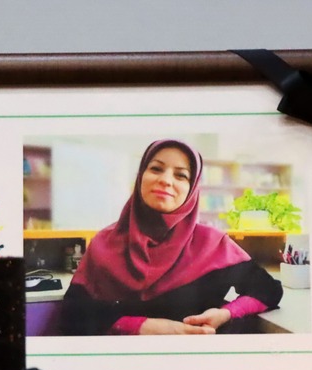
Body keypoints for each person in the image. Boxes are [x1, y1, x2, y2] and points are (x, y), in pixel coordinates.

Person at [60, 139, 283, 335]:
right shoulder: (104, 243)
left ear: (192, 188)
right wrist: (141, 327)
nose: (166, 180)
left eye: (181, 175)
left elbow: (268, 290)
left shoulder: (212, 244)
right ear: (141, 177)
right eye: (156, 169)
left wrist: (226, 313)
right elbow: (73, 312)